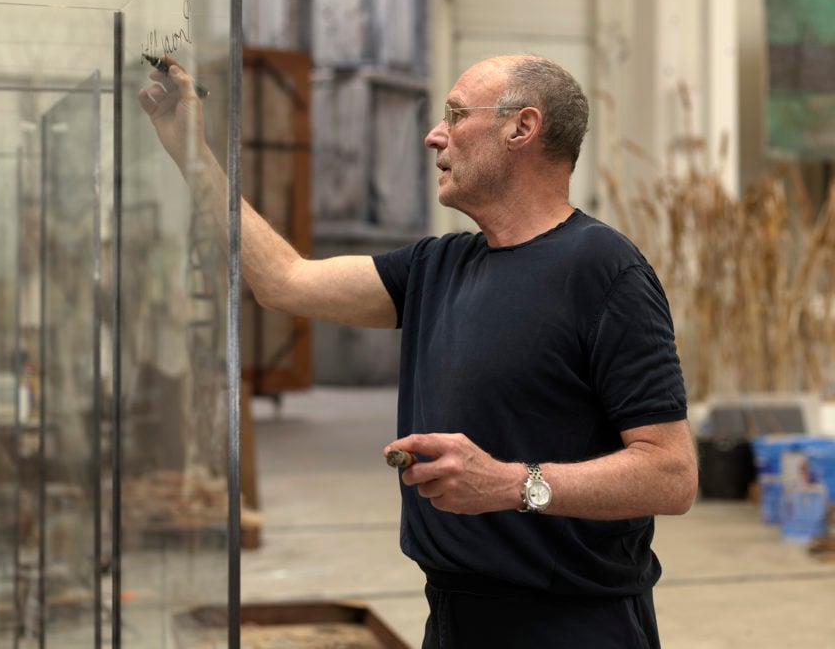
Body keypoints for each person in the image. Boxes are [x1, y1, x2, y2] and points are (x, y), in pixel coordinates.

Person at [139, 53, 699, 649]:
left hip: (571, 624)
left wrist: (514, 483)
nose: (435, 135)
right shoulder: (438, 266)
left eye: (456, 115)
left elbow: (671, 474)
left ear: (521, 128)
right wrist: (190, 153)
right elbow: (282, 281)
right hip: (455, 617)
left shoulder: (604, 270)